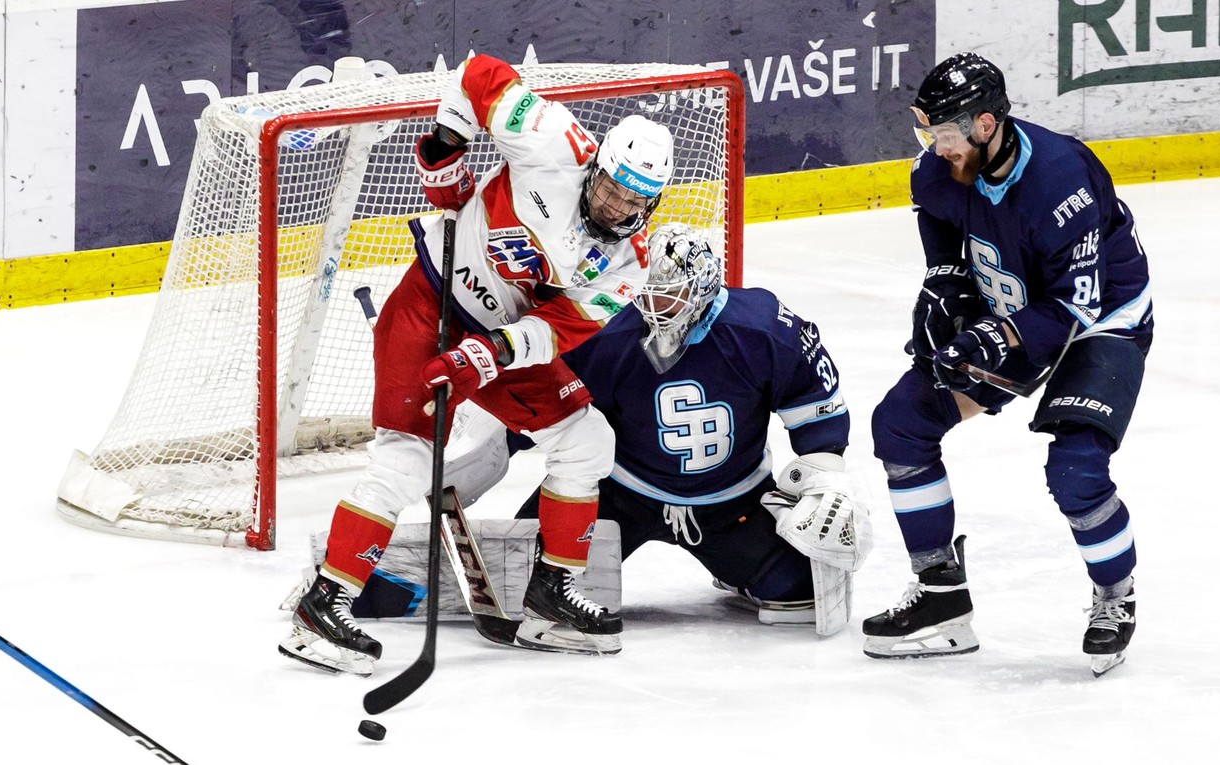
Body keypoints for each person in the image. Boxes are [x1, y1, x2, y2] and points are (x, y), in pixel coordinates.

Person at [279, 53, 674, 674]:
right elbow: (477, 73)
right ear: (594, 164)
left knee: (587, 440)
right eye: (608, 187)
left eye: (632, 202)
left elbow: (560, 328)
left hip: (498, 342)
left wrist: (486, 356)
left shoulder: (629, 263)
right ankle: (323, 606)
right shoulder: (552, 141)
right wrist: (448, 154)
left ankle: (549, 601)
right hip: (430, 301)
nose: (614, 206)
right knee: (406, 461)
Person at [863, 53, 1152, 676]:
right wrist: (947, 281)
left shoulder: (1062, 181)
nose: (933, 148)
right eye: (929, 132)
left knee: (1075, 467)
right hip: (1016, 304)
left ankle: (1116, 596)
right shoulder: (939, 169)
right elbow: (937, 218)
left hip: (1100, 320)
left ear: (986, 125)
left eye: (943, 134)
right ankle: (940, 597)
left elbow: (1074, 307)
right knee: (901, 425)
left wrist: (997, 335)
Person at [513, 223, 871, 635]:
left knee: (797, 591)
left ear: (701, 287)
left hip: (731, 504)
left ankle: (737, 565)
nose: (653, 305)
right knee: (525, 580)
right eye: (645, 292)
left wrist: (824, 476)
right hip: (620, 494)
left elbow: (818, 415)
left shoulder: (761, 329)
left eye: (668, 293)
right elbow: (538, 412)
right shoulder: (605, 332)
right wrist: (480, 455)